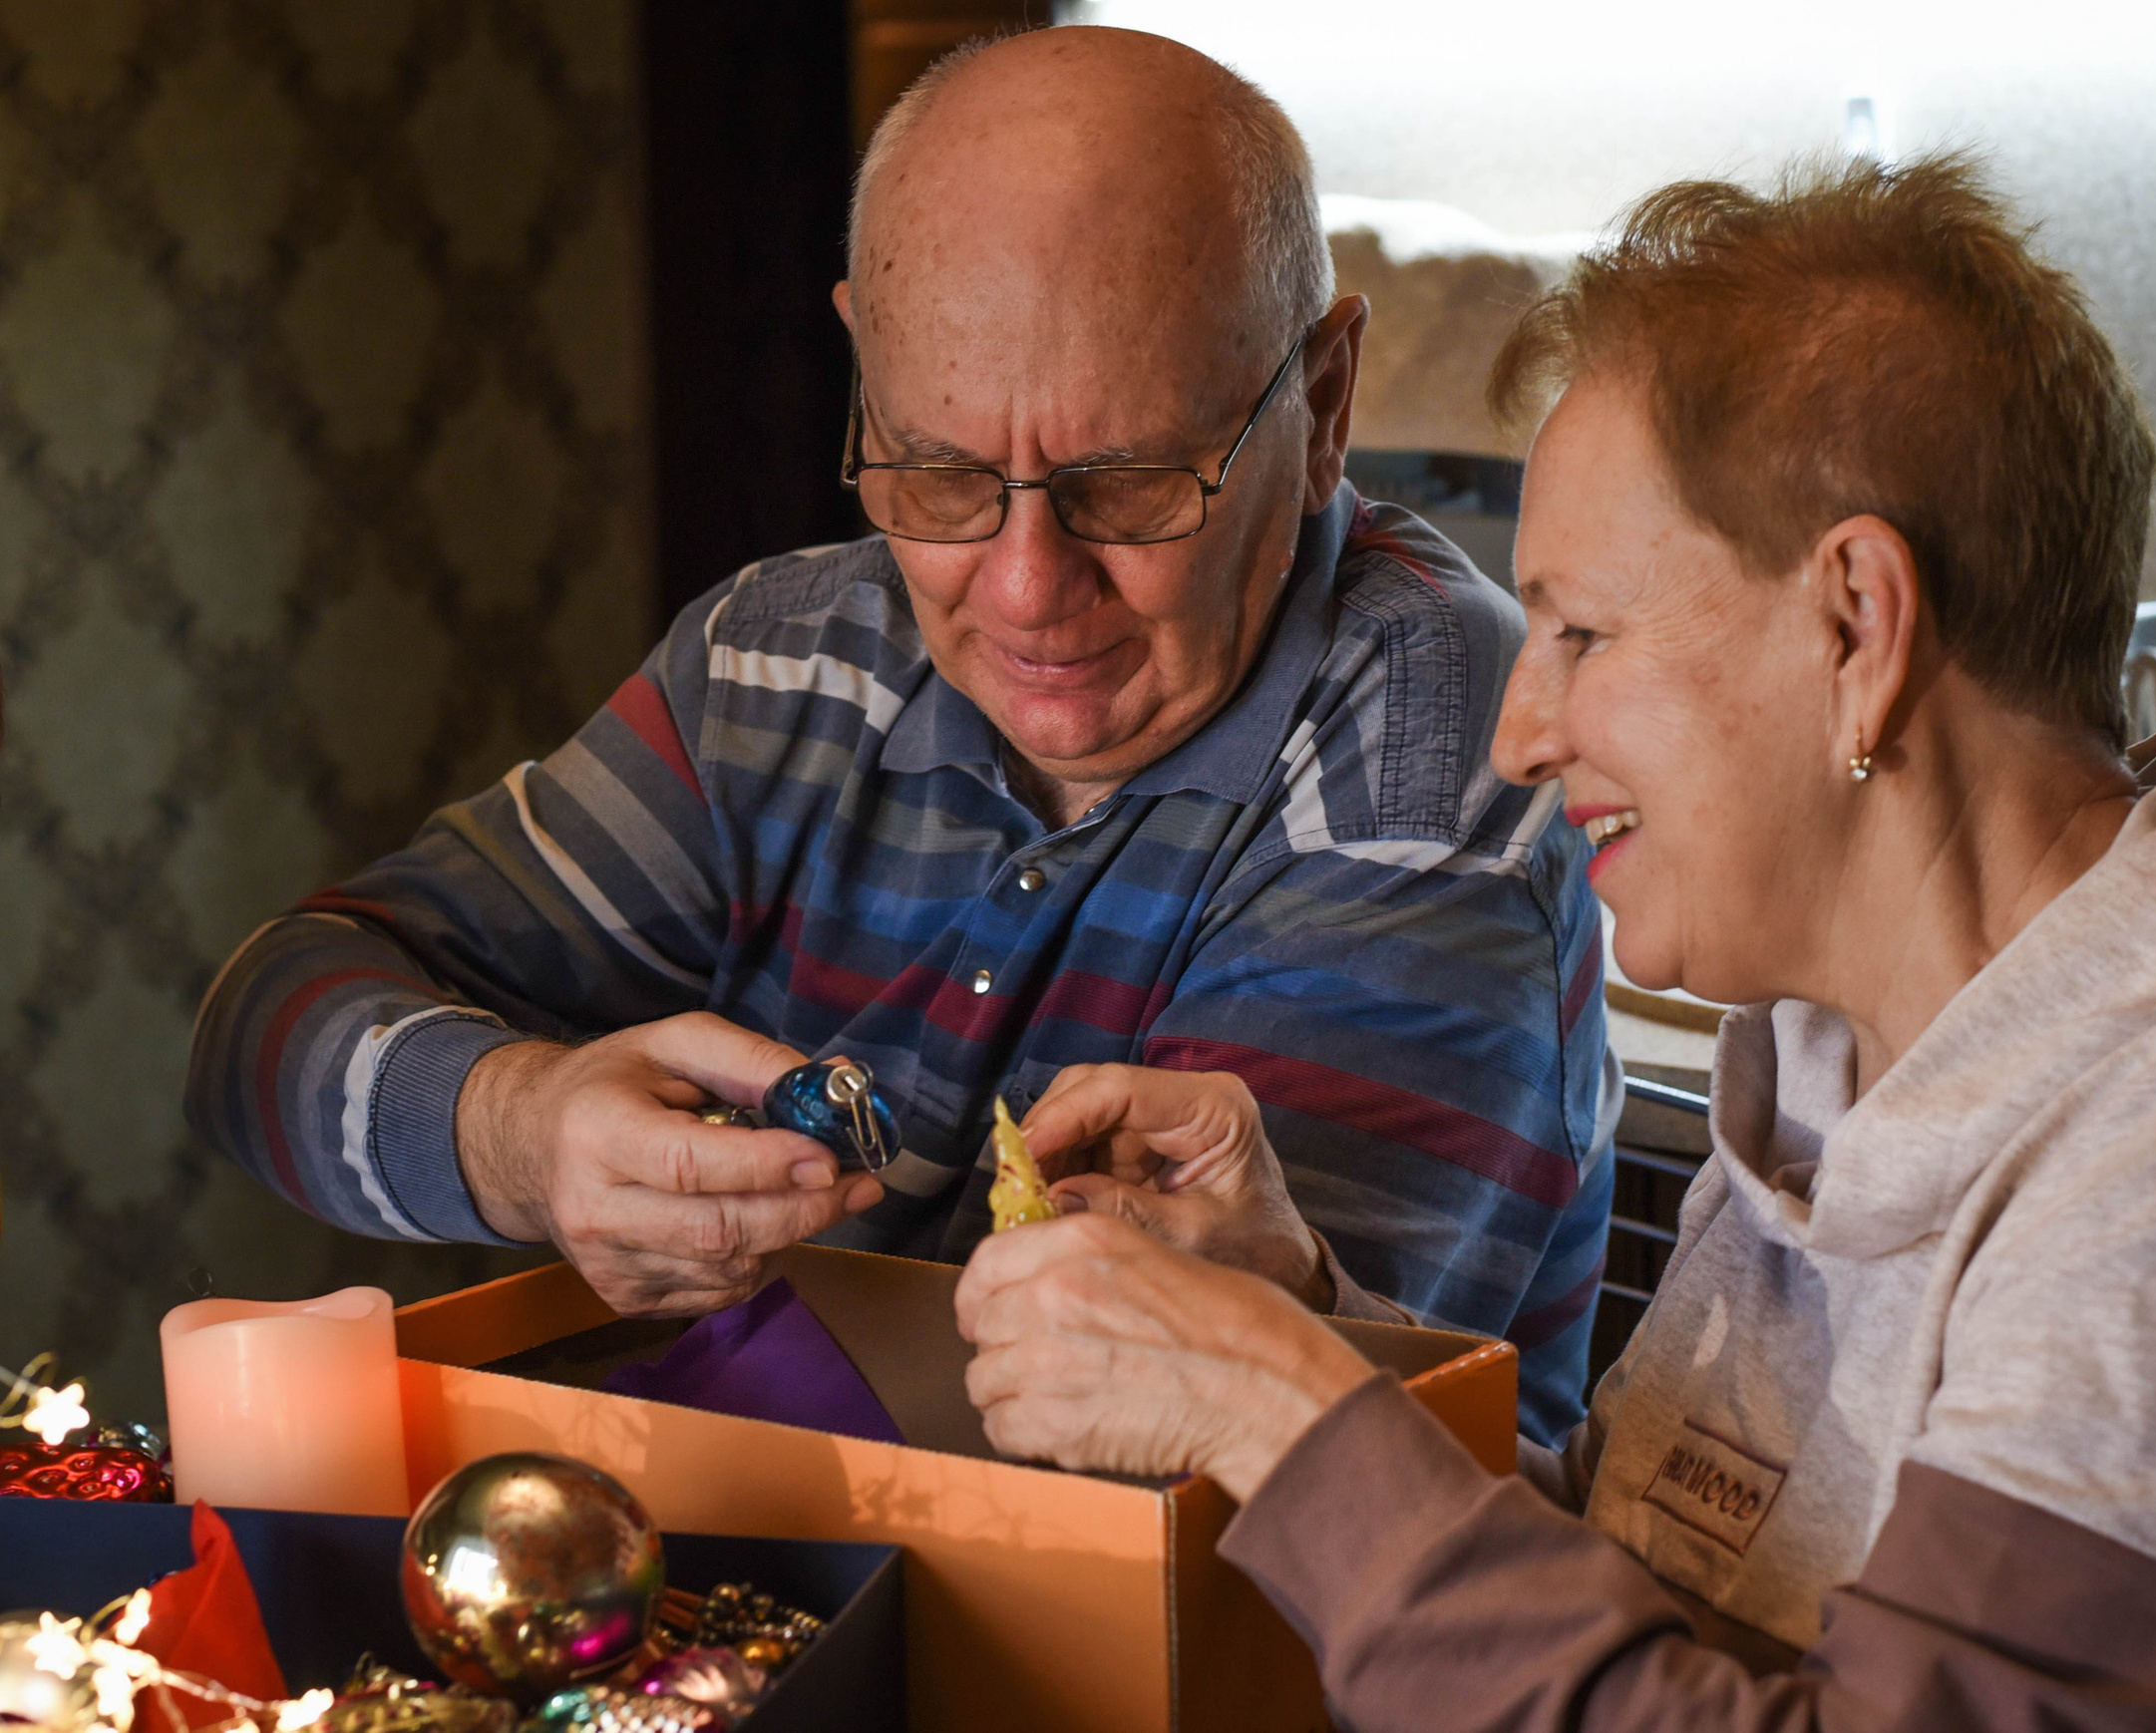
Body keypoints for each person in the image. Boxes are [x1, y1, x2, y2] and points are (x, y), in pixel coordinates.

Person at [953, 156, 2156, 1726]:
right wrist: (1294, 1312)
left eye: (1580, 631)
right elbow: (1653, 1617)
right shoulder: (1844, 1065)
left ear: (1855, 623)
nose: (1519, 732)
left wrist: (1273, 1405)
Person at [183, 26, 1617, 1441]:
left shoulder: (1436, 750)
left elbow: (1166, 1461)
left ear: (1321, 402)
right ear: (864, 368)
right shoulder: (779, 660)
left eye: (1125, 485)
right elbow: (260, 1024)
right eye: (937, 472)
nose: (1025, 589)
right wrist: (520, 1130)